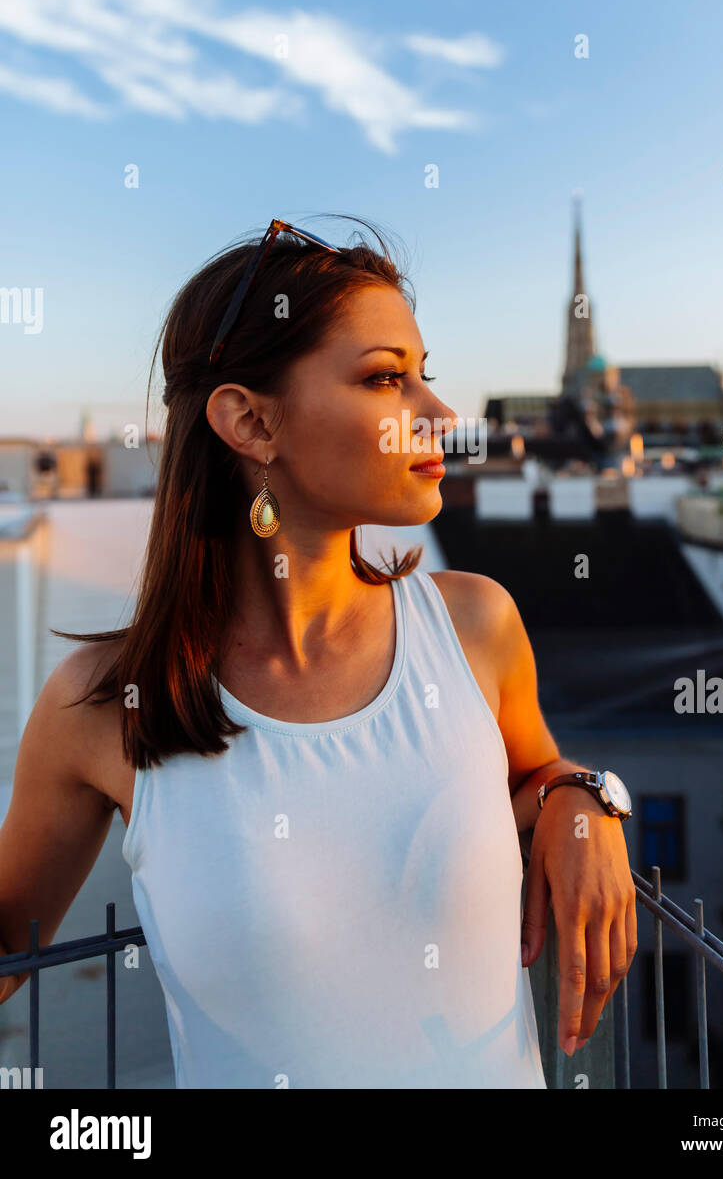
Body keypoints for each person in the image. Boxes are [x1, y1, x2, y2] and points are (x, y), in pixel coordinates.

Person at [0, 215, 637, 1088]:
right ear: (251, 424)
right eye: (386, 380)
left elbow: (535, 776)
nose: (441, 415)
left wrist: (583, 799)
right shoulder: (103, 705)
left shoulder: (474, 625)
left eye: (424, 376)